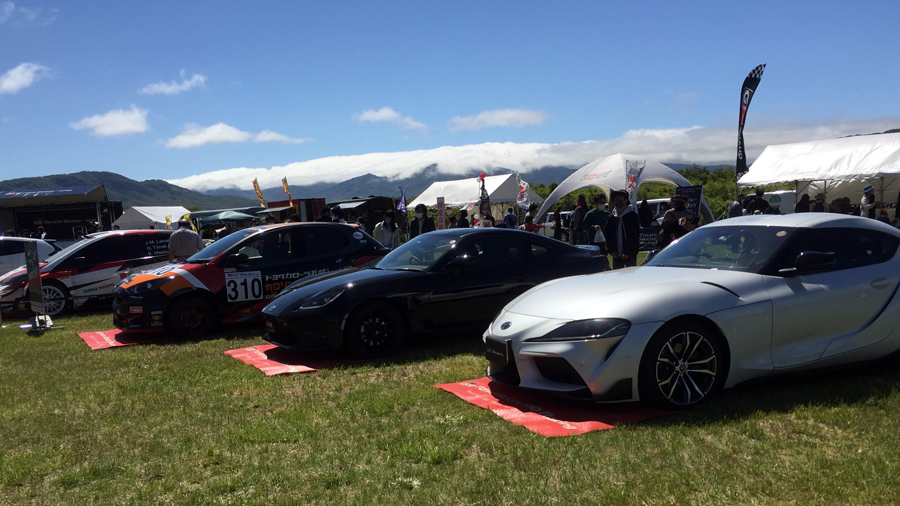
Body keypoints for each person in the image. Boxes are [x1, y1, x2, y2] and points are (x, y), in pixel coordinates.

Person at [603, 189, 640, 269]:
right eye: (616, 199)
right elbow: (607, 234)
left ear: (626, 200)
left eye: (620, 199)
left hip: (629, 254)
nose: (618, 201)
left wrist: (628, 251)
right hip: (616, 255)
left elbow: (634, 235)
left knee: (630, 275)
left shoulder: (632, 216)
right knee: (617, 277)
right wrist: (610, 250)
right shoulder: (611, 217)